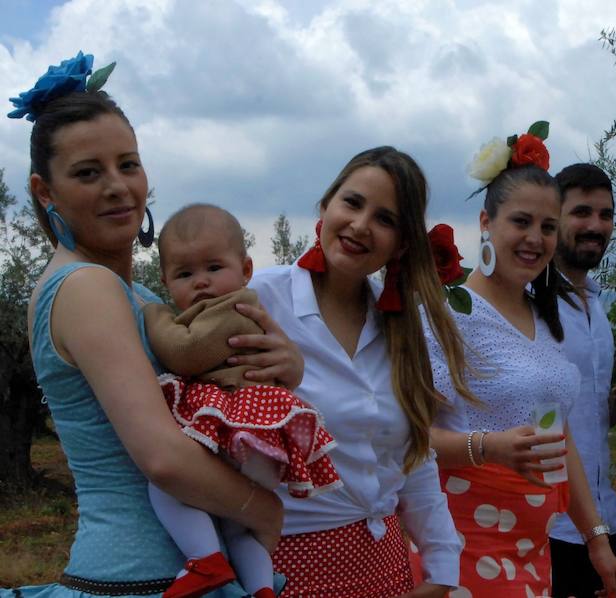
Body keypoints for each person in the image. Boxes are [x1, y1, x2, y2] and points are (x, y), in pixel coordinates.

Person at [4, 53, 297, 597]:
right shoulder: (85, 287)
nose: (118, 186)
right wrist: (263, 509)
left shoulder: (136, 295)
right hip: (136, 580)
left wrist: (278, 367)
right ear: (46, 192)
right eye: (89, 172)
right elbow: (161, 457)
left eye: (128, 164)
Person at [249, 146, 474, 597]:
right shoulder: (261, 301)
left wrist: (443, 568)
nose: (360, 225)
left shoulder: (401, 327)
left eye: (385, 219)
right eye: (352, 203)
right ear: (326, 205)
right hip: (283, 566)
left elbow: (414, 455)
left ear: (402, 244)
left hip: (387, 566)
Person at [426, 125, 616, 597]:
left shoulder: (543, 317)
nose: (535, 239)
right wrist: (489, 447)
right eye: (521, 222)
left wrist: (596, 538)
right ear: (485, 222)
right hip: (460, 542)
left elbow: (559, 437)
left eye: (547, 227)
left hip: (532, 549)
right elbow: (409, 439)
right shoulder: (443, 316)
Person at [142, 204, 341, 598]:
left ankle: (205, 561)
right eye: (185, 274)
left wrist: (154, 317)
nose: (201, 282)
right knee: (237, 525)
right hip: (259, 440)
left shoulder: (231, 308)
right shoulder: (237, 306)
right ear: (167, 279)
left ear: (246, 269)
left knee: (168, 486)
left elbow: (187, 352)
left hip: (238, 431)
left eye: (214, 268)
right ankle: (261, 588)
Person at [548, 163, 616, 598]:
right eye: (582, 212)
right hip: (551, 524)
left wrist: (614, 407)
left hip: (605, 512)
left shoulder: (596, 305)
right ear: (552, 217)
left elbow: (577, 415)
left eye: (606, 215)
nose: (596, 226)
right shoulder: (529, 306)